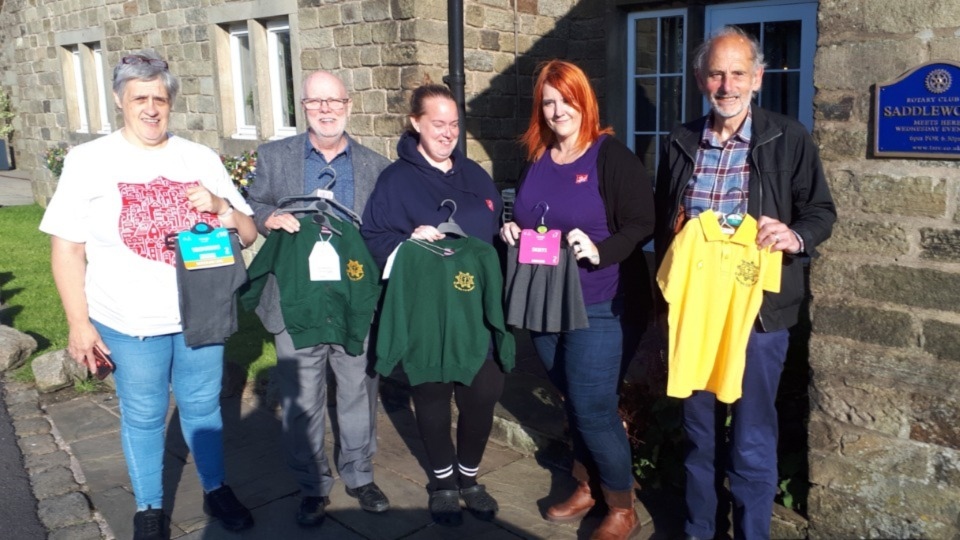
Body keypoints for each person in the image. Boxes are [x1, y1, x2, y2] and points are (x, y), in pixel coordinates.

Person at [39, 49, 258, 540]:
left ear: (171, 102)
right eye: (140, 97)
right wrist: (79, 322)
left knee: (202, 408)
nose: (151, 108)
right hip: (128, 319)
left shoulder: (198, 158)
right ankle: (150, 507)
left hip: (200, 315)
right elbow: (67, 250)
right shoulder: (89, 161)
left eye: (160, 98)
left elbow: (246, 234)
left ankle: (216, 487)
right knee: (143, 414)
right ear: (121, 100)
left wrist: (221, 205)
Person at [654, 26, 836, 540]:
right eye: (716, 72)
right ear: (699, 79)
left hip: (760, 314)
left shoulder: (787, 136)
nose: (726, 84)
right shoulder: (680, 140)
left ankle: (752, 534)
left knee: (754, 436)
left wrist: (795, 235)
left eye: (737, 73)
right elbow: (660, 218)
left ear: (757, 78)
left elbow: (821, 211)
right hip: (696, 312)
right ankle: (699, 530)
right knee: (698, 433)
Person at [500, 59, 655, 540]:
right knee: (572, 399)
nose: (556, 110)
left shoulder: (610, 157)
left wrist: (600, 249)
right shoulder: (537, 157)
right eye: (547, 101)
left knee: (593, 408)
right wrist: (511, 229)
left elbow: (641, 222)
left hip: (600, 303)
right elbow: (528, 213)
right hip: (544, 299)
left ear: (584, 100)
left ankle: (621, 504)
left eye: (565, 99)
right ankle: (587, 484)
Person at [244, 71, 392, 527]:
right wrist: (273, 218)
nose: (326, 109)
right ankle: (311, 484)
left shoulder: (375, 165)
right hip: (295, 297)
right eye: (316, 102)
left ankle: (359, 473)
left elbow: (384, 226)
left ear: (348, 104)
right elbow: (255, 203)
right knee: (302, 396)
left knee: (356, 390)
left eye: (334, 101)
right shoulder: (274, 156)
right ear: (303, 106)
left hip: (352, 298)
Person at [361, 84, 510, 527]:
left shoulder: (476, 175)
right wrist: (407, 242)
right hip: (427, 312)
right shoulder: (396, 180)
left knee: (483, 392)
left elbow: (495, 227)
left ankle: (470, 477)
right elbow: (373, 237)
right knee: (431, 393)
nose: (447, 133)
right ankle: (443, 482)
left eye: (453, 124)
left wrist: (511, 233)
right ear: (416, 123)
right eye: (437, 124)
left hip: (475, 310)